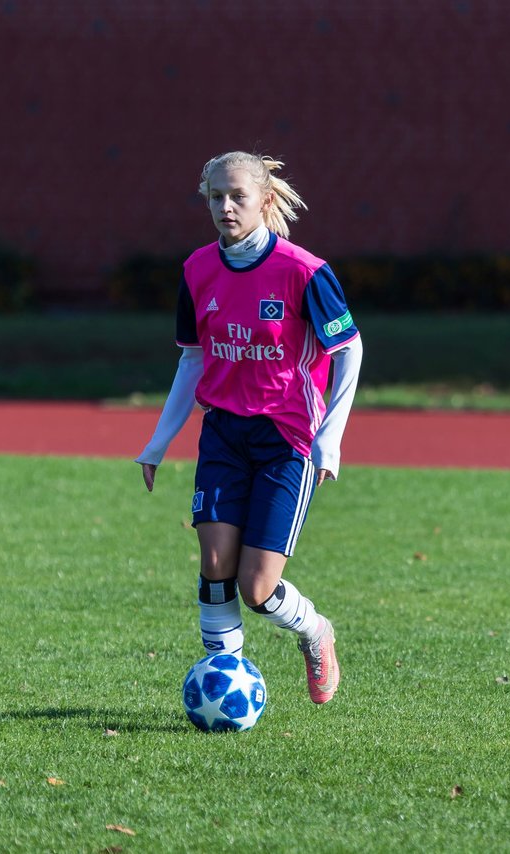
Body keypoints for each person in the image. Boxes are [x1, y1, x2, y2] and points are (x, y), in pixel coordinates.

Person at [137, 151, 363, 705]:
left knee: (257, 588)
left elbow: (349, 350)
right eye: (215, 196)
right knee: (214, 563)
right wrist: (158, 441)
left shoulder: (304, 271)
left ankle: (315, 631)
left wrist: (328, 439)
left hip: (286, 441)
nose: (225, 207)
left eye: (237, 196)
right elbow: (193, 360)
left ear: (265, 199)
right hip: (223, 435)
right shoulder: (196, 270)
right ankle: (224, 680)